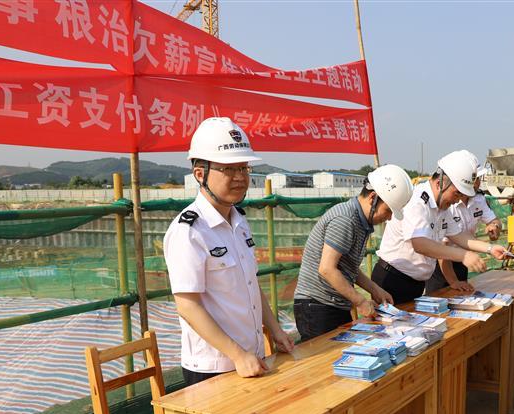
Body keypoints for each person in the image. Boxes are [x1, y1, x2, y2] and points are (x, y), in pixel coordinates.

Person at [163, 117, 294, 385]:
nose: (240, 177)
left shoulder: (239, 221)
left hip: (250, 357)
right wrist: (236, 355)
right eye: (229, 169)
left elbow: (250, 284)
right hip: (214, 366)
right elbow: (187, 305)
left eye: (243, 168)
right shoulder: (189, 231)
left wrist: (275, 329)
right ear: (200, 174)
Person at [293, 165, 413, 341]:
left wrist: (375, 289)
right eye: (388, 210)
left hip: (332, 304)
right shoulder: (346, 220)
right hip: (317, 306)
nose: (388, 218)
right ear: (373, 198)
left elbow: (348, 268)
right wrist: (361, 301)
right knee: (326, 357)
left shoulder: (360, 221)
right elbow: (327, 269)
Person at [372, 150, 507, 304]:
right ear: (440, 183)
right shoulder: (417, 201)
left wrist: (490, 248)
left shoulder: (442, 207)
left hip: (415, 282)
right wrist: (464, 255)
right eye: (456, 194)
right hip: (392, 280)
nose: (458, 200)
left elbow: (458, 235)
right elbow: (420, 244)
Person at [425, 158, 503, 293]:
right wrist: (453, 281)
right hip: (441, 264)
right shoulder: (443, 204)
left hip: (463, 259)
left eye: (478, 178)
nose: (477, 183)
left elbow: (460, 236)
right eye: (474, 179)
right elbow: (437, 248)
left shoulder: (478, 199)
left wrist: (492, 240)